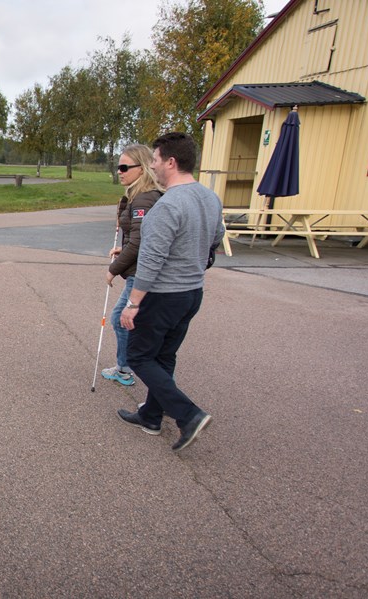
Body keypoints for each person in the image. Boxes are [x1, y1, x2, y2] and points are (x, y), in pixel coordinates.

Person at [117, 132, 224, 452]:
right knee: (164, 355)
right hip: (192, 292)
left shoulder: (166, 206)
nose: (153, 165)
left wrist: (133, 303)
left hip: (163, 294)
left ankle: (188, 415)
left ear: (171, 162)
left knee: (138, 355)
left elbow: (150, 260)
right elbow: (215, 239)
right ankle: (150, 415)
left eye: (156, 159)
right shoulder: (209, 198)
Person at [100, 144, 163, 387]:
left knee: (121, 318)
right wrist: (122, 249)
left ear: (142, 168)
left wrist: (113, 269)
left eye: (125, 167)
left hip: (141, 273)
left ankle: (127, 367)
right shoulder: (139, 198)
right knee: (131, 320)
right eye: (118, 167)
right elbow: (136, 237)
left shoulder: (144, 201)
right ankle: (130, 365)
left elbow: (138, 242)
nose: (120, 171)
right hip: (142, 269)